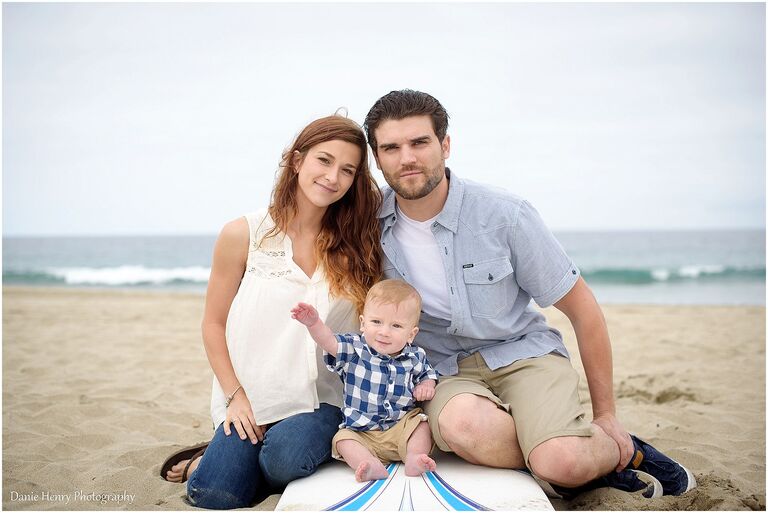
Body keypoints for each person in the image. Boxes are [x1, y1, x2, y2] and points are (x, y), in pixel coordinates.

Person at [361, 89, 697, 499]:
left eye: (419, 142)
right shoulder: (367, 225)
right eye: (391, 148)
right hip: (442, 371)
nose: (406, 158)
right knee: (466, 426)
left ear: (445, 145)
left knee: (562, 462)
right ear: (377, 159)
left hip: (523, 354)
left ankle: (612, 450)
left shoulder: (505, 214)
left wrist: (607, 416)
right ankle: (564, 454)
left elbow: (583, 309)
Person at [159, 114, 383, 509]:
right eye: (324, 161)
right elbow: (213, 324)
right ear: (297, 161)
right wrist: (236, 397)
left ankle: (253, 457)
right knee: (212, 493)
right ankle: (205, 462)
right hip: (252, 398)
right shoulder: (243, 233)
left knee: (285, 459)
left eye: (347, 170)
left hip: (322, 400)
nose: (333, 177)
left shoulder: (357, 246)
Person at [290, 279, 439, 483]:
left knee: (421, 426)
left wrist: (426, 386)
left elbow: (428, 375)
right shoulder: (355, 349)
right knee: (342, 440)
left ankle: (414, 457)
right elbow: (329, 342)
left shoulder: (415, 356)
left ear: (411, 334)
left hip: (400, 428)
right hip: (362, 432)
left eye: (396, 325)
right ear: (362, 323)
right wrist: (314, 324)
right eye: (376, 322)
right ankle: (368, 464)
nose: (384, 332)